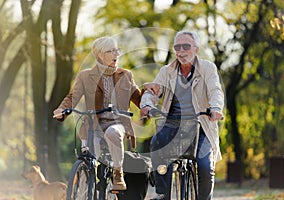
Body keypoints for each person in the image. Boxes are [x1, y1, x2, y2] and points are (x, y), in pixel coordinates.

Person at [140, 30, 224, 200]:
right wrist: (147, 104)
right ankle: (162, 194)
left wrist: (215, 108)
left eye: (186, 46)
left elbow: (215, 90)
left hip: (201, 125)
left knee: (205, 166)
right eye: (177, 47)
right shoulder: (166, 71)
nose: (181, 51)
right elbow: (153, 91)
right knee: (157, 143)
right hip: (172, 124)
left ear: (196, 49)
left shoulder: (207, 68)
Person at [53, 36, 141, 191]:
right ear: (100, 55)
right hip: (93, 126)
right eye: (111, 51)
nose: (116, 54)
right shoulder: (85, 76)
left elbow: (139, 99)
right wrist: (62, 110)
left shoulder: (125, 75)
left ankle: (117, 173)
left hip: (117, 123)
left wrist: (149, 100)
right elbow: (73, 97)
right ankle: (83, 188)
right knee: (88, 158)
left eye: (116, 50)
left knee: (113, 133)